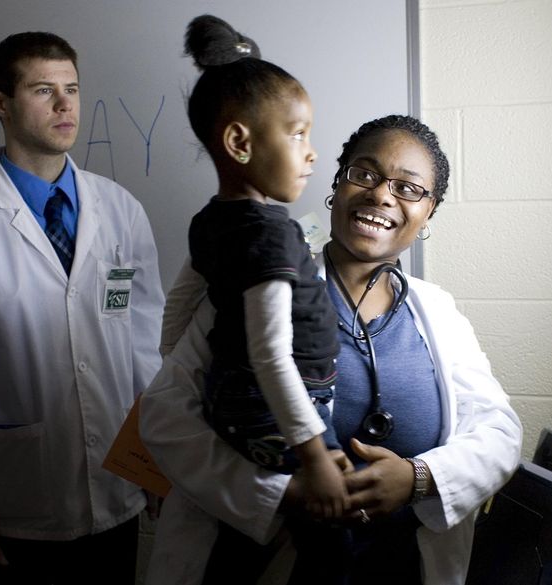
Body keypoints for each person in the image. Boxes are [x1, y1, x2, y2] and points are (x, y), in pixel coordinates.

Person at [139, 113, 523, 585]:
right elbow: (165, 413)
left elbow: (499, 432)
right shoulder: (260, 287)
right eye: (365, 173)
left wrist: (417, 478)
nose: (382, 194)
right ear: (338, 184)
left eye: (408, 188)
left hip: (400, 567)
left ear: (429, 211)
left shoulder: (438, 312)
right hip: (257, 561)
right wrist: (280, 494)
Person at [0, 31, 164, 584]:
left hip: (120, 486)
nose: (66, 104)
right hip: (15, 503)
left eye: (71, 88)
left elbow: (145, 350)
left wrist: (157, 465)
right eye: (44, 89)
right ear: (0, 103)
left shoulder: (121, 209)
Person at [165, 14, 347, 520]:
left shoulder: (211, 221)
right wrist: (314, 454)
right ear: (240, 144)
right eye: (298, 134)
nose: (312, 153)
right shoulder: (269, 231)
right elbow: (269, 354)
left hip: (234, 395)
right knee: (333, 531)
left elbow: (179, 304)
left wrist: (171, 370)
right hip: (276, 406)